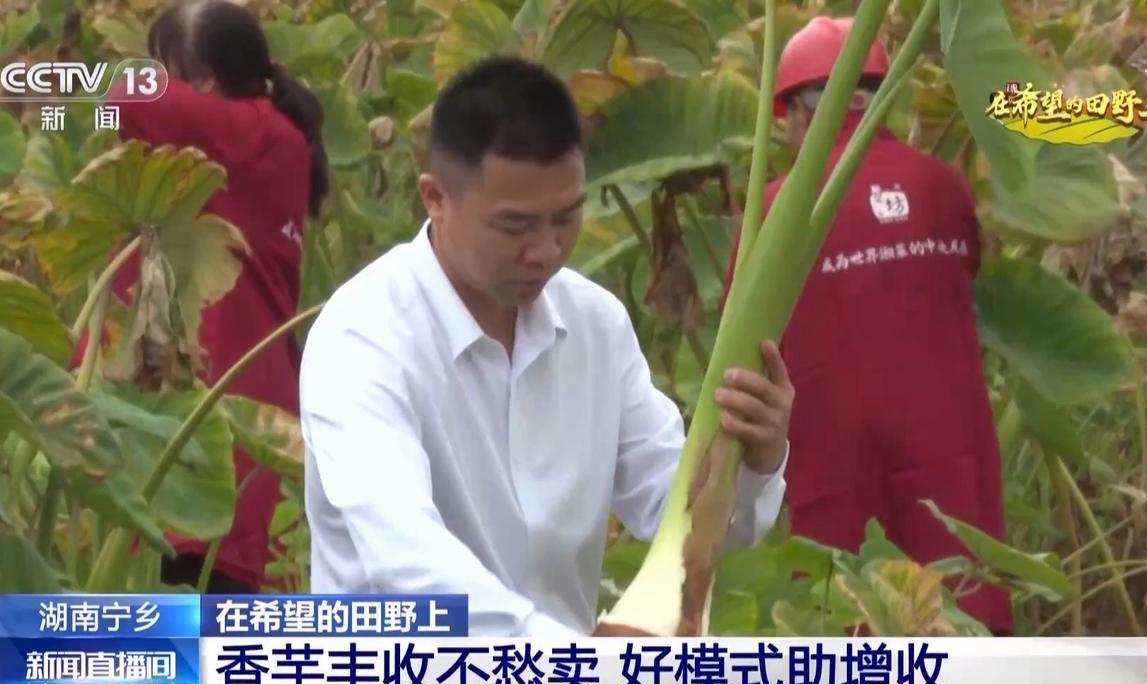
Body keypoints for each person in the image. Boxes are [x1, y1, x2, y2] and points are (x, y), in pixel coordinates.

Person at [298, 55, 793, 636]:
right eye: (516, 226)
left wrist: (754, 461)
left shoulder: (595, 326)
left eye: (566, 218)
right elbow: (408, 562)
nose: (547, 251)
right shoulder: (363, 337)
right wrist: (576, 661)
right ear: (435, 197)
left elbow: (675, 511)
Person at [724, 16, 1013, 634]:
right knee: (960, 609)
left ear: (799, 113)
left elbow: (738, 335)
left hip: (837, 463)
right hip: (947, 450)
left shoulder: (778, 209)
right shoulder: (942, 186)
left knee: (848, 618)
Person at [80, 0, 329, 592]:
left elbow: (127, 96)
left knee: (206, 614)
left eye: (164, 70)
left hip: (222, 407)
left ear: (206, 84)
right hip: (199, 402)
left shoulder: (260, 135)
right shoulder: (250, 139)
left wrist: (33, 80)